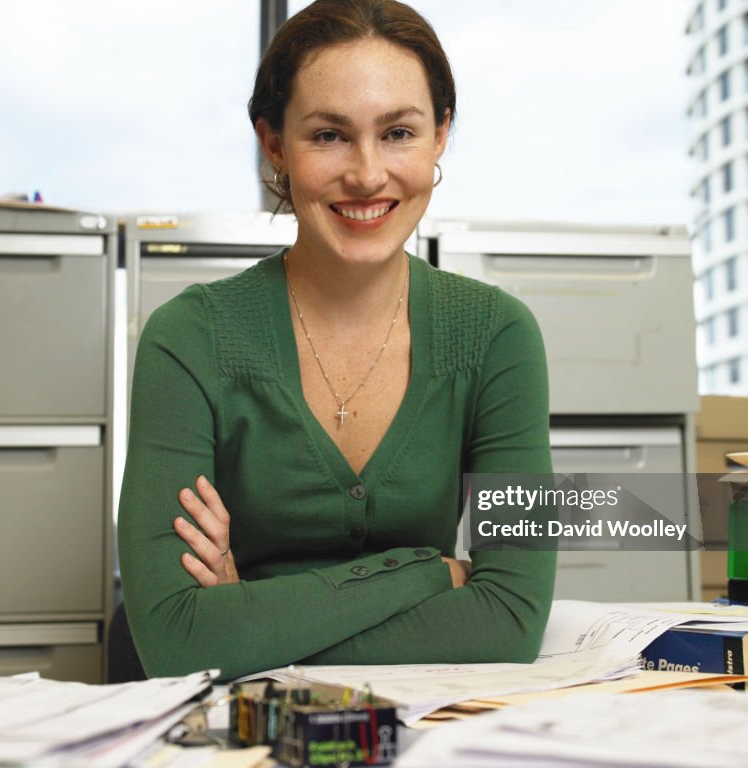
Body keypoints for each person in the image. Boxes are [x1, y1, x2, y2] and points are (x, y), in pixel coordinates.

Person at [118, 0, 555, 682]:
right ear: (274, 144)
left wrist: (250, 626)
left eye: (399, 132)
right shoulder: (190, 340)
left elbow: (513, 618)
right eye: (328, 135)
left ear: (440, 135)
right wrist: (425, 573)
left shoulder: (498, 337)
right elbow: (179, 641)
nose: (367, 173)